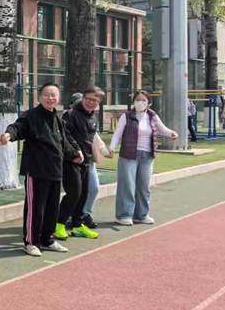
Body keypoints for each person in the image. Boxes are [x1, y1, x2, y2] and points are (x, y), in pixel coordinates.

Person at [0, 82, 83, 257]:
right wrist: (9, 134)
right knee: (35, 208)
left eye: (54, 95)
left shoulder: (57, 119)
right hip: (36, 171)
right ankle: (31, 242)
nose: (50, 98)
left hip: (55, 171)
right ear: (39, 97)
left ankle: (47, 239)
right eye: (46, 94)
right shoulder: (31, 116)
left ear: (58, 98)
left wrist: (75, 153)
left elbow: (63, 142)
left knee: (52, 209)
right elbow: (18, 127)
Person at [109, 90, 178, 226]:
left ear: (149, 103)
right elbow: (117, 134)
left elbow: (162, 129)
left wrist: (171, 134)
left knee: (144, 187)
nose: (140, 102)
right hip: (129, 155)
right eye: (137, 100)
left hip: (147, 156)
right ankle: (123, 215)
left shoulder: (152, 116)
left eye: (143, 100)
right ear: (133, 102)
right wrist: (111, 148)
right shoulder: (126, 116)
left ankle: (141, 215)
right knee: (127, 186)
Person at [55, 87, 104, 241]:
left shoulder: (93, 118)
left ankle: (77, 225)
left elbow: (91, 140)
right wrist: (76, 151)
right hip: (71, 160)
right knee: (74, 193)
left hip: (86, 162)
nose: (91, 102)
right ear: (83, 98)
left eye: (95, 100)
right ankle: (58, 224)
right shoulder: (70, 115)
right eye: (88, 99)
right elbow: (65, 136)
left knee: (83, 193)